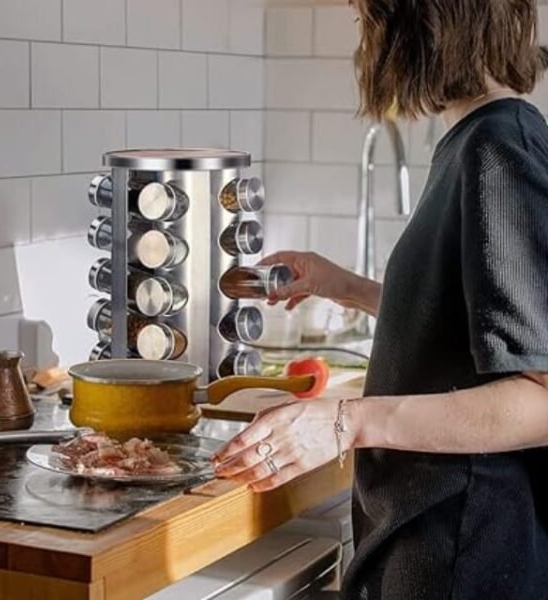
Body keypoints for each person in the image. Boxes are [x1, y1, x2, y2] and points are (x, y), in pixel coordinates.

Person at [212, 1, 548, 598]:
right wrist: (341, 285)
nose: (367, 42)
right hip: (431, 538)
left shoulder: (498, 150)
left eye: (369, 21)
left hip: (465, 553)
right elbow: (465, 328)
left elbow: (542, 399)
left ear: (419, 24)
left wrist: (346, 422)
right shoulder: (475, 139)